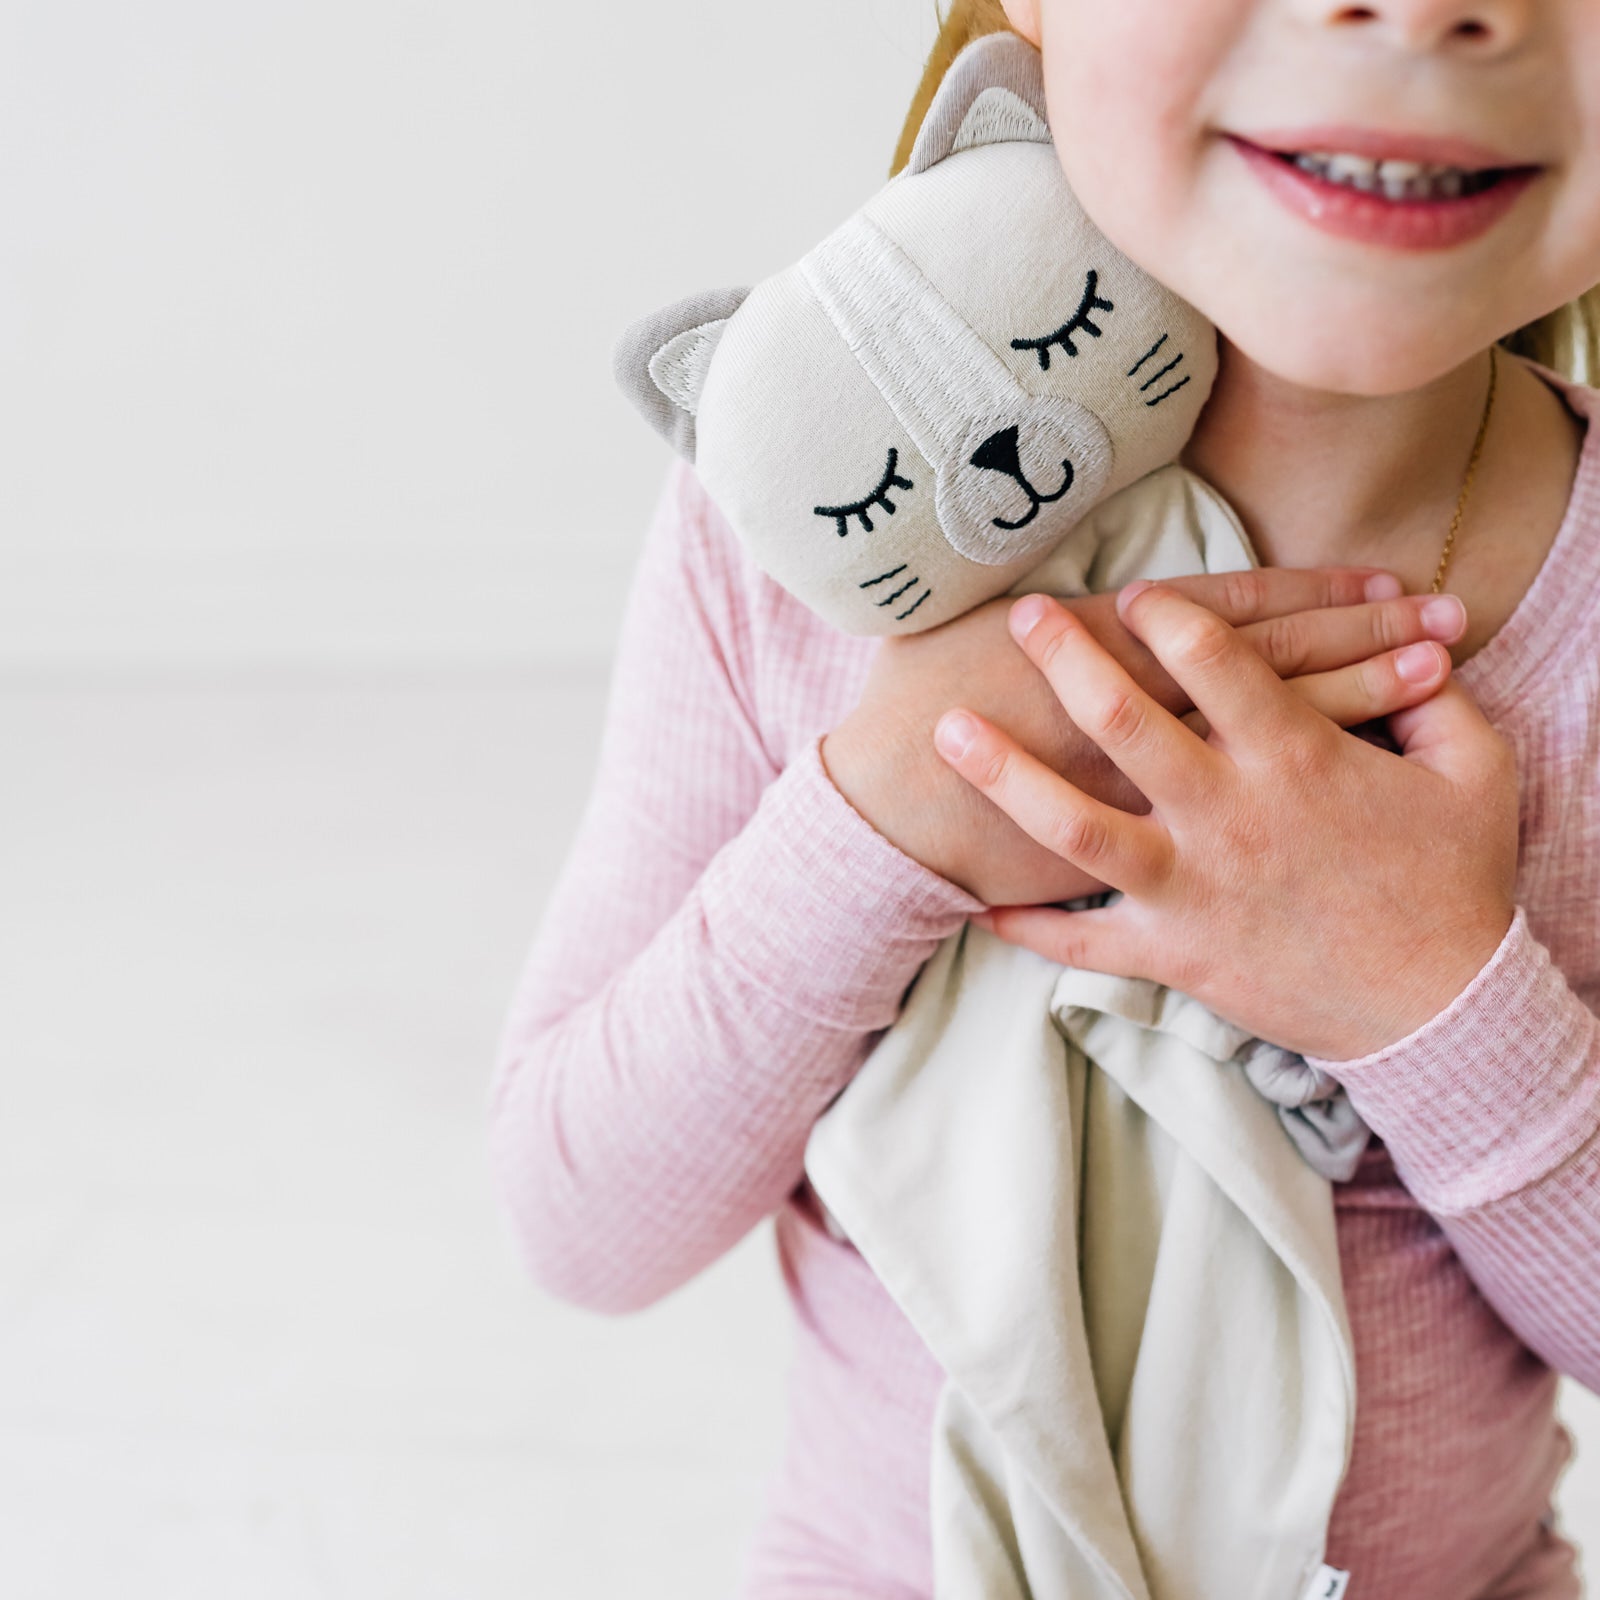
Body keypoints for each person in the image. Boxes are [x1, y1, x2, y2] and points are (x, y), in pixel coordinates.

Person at [489, 0, 1600, 1593]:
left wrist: (1437, 996)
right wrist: (880, 819)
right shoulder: (803, 540)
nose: (1417, 5)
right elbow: (579, 1221)